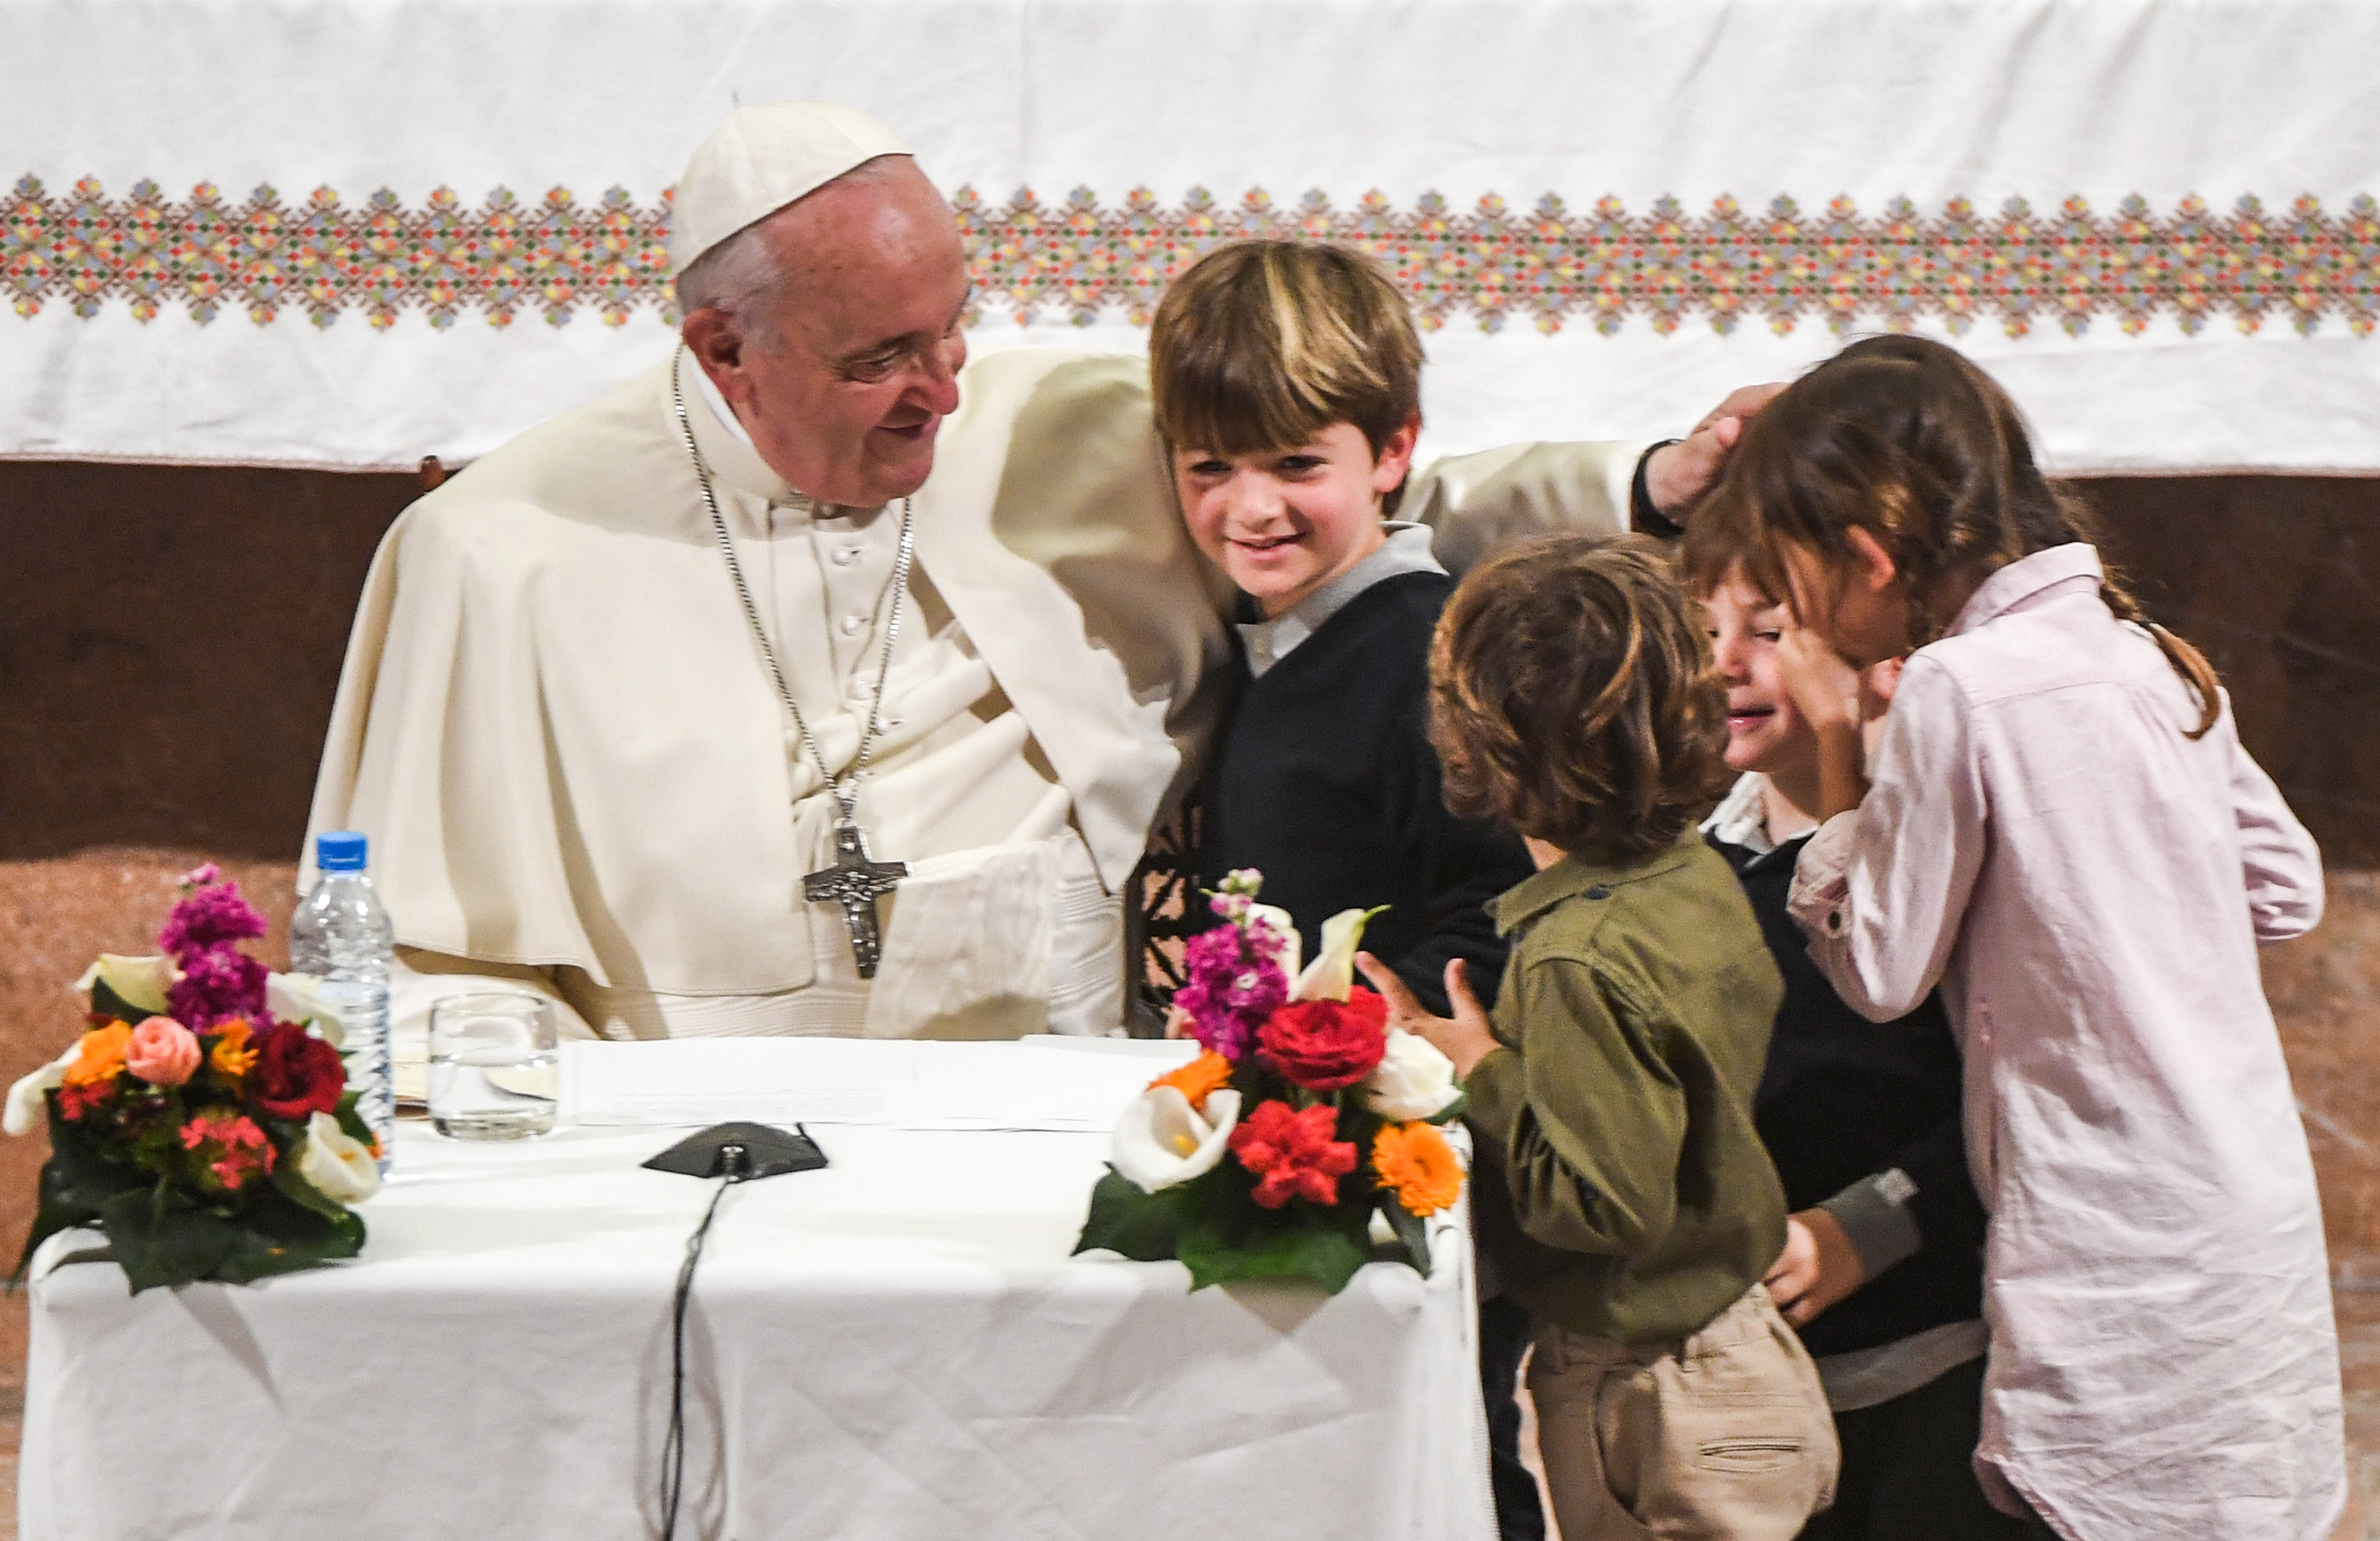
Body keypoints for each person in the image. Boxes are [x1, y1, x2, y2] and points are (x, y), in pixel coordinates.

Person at [302, 99, 1747, 1051]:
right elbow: (434, 975)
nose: (946, 390)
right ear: (724, 354)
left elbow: (1366, 501)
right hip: (698, 1144)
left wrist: (1648, 484)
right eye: (881, 361)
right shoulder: (502, 550)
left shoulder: (1055, 428)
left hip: (1051, 1114)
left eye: (952, 329)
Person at [1686, 333, 2343, 1540]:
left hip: (2108, 1221)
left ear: (1867, 559)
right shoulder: (2148, 652)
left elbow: (1877, 970)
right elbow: (2282, 888)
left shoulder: (1958, 686)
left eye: (1795, 584)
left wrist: (1840, 759)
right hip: (2237, 1200)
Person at [1147, 239, 1546, 1539]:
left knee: (1433, 1467)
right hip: (1295, 1161)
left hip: (1393, 1174)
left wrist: (1342, 1049)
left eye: (1295, 466)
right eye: (1210, 468)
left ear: (1392, 450)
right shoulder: (1282, 646)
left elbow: (1481, 914)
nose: (1249, 508)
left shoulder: (1421, 654)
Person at [1380, 535, 1839, 1541]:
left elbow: (1603, 1203)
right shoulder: (1687, 874)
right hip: (1735, 1346)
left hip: (1651, 1396)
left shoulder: (1572, 957)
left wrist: (1483, 1070)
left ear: (1477, 747)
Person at [1691, 559, 2027, 1539]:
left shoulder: (1918, 853)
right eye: (1700, 631)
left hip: (1929, 1358)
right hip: (1754, 1385)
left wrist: (1863, 1230)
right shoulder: (1694, 865)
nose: (1722, 665)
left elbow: (2004, 1097)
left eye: (1766, 629)